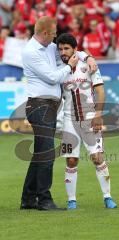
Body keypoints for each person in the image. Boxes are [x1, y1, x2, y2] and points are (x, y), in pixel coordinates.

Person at [21, 16, 97, 211]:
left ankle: (28, 200)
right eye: (53, 33)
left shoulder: (49, 47)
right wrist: (70, 66)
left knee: (40, 154)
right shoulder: (31, 52)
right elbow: (53, 77)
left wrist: (87, 56)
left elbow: (72, 51)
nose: (56, 37)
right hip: (40, 106)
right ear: (45, 33)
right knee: (46, 154)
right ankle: (44, 200)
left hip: (49, 107)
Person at [57, 33, 117, 210]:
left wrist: (98, 114)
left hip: (90, 118)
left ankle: (107, 197)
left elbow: (100, 91)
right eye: (60, 49)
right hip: (68, 120)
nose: (63, 52)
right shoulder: (58, 68)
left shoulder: (89, 65)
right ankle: (72, 200)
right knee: (71, 161)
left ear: (75, 49)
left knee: (97, 158)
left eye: (66, 48)